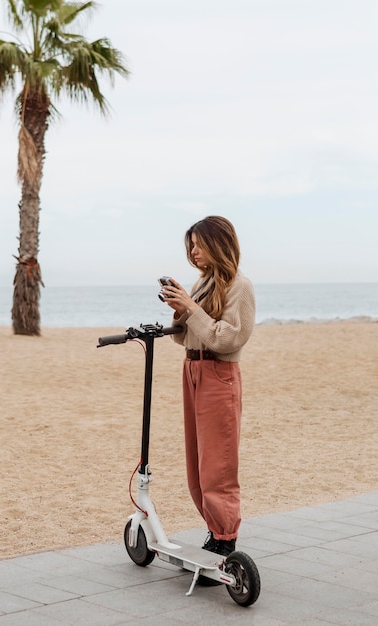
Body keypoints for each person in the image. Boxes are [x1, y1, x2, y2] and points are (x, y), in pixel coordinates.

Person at [159, 215, 255, 567]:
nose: (193, 252)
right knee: (197, 462)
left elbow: (228, 337)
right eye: (191, 245)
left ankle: (225, 539)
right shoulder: (204, 283)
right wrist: (180, 311)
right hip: (193, 369)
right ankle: (215, 531)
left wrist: (192, 307)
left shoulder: (239, 286)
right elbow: (186, 336)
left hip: (219, 373)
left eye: (198, 244)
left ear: (218, 243)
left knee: (218, 463)